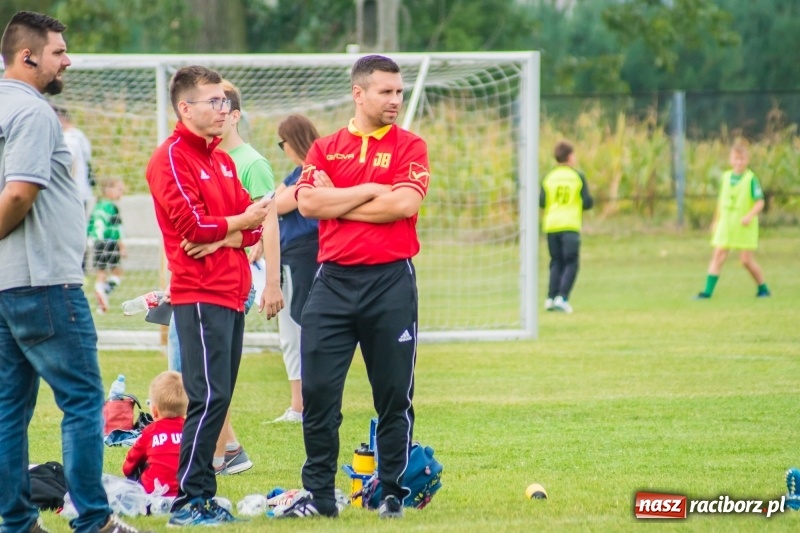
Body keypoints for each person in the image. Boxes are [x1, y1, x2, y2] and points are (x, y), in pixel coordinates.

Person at [0, 10, 147, 533]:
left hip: (6, 286)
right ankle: (95, 522)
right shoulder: (33, 113)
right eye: (59, 51)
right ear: (28, 56)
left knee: (8, 409)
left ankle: (15, 524)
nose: (68, 60)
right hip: (45, 284)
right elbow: (19, 192)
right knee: (84, 401)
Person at [276, 55, 430, 520]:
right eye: (386, 91)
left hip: (390, 282)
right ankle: (320, 493)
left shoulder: (411, 145)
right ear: (359, 94)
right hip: (333, 283)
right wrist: (370, 189)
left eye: (399, 91)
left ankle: (391, 491)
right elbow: (307, 205)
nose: (395, 100)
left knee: (392, 395)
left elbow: (401, 205)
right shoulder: (325, 148)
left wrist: (337, 201)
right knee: (320, 393)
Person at [145, 65, 271, 527]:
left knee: (220, 397)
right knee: (207, 396)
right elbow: (193, 228)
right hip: (199, 294)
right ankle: (189, 499)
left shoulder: (219, 158)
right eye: (214, 102)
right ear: (185, 107)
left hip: (232, 289)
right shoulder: (172, 158)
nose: (224, 109)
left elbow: (256, 220)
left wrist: (227, 236)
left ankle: (202, 493)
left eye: (225, 101)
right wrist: (233, 227)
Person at [205, 78, 284, 475]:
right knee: (198, 372)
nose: (216, 112)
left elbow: (268, 223)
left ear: (234, 115)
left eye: (221, 104)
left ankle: (222, 452)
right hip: (202, 278)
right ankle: (226, 447)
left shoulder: (251, 163)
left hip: (235, 279)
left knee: (205, 373)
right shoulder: (203, 158)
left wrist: (271, 282)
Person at [270, 114, 321, 423]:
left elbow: (276, 205)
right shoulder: (298, 172)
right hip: (292, 255)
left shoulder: (313, 173)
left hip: (306, 254)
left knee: (302, 325)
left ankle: (307, 404)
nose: (283, 149)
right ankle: (299, 405)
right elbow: (271, 200)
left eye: (283, 143)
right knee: (290, 331)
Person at [695, 140, 770, 299]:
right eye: (736, 159)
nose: (738, 162)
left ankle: (763, 288)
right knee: (718, 256)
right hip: (727, 224)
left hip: (744, 226)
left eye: (742, 159)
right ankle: (706, 292)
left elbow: (760, 202)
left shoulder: (751, 179)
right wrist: (716, 220)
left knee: (745, 261)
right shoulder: (726, 177)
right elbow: (721, 202)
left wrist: (749, 216)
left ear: (747, 160)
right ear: (731, 160)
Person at [539, 140, 593, 314]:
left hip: (551, 225)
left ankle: (550, 298)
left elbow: (541, 201)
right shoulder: (577, 176)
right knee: (571, 262)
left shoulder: (549, 177)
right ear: (570, 156)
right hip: (569, 224)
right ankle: (562, 297)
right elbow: (586, 202)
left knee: (556, 262)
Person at [122, 371, 187, 497]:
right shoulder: (191, 431)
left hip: (152, 490)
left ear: (155, 411)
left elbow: (130, 464)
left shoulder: (150, 431)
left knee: (140, 464)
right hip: (185, 489)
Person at [87, 177, 126, 314]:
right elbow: (116, 229)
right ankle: (104, 291)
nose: (122, 192)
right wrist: (122, 247)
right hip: (109, 242)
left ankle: (100, 303)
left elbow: (90, 225)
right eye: (119, 189)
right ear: (108, 190)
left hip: (96, 243)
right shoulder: (112, 207)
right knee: (118, 274)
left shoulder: (98, 205)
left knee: (101, 273)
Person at [53, 104, 93, 209]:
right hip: (83, 191)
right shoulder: (80, 135)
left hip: (70, 193)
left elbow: (70, 164)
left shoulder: (67, 139)